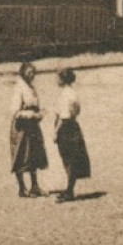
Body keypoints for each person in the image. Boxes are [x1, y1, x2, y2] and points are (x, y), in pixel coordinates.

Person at [52, 69, 93, 202]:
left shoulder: (65, 95)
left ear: (63, 79)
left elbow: (64, 117)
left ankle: (69, 191)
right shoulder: (73, 93)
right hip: (74, 127)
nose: (56, 80)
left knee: (68, 159)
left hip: (66, 128)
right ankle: (69, 189)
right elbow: (76, 111)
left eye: (58, 78)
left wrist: (55, 132)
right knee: (73, 158)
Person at [9, 62, 48, 197]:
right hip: (21, 128)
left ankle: (34, 186)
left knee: (34, 155)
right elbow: (15, 111)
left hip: (32, 126)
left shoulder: (31, 87)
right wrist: (31, 115)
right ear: (23, 72)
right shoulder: (19, 88)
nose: (32, 75)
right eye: (29, 72)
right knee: (20, 156)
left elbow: (35, 105)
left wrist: (40, 113)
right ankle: (22, 188)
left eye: (33, 72)